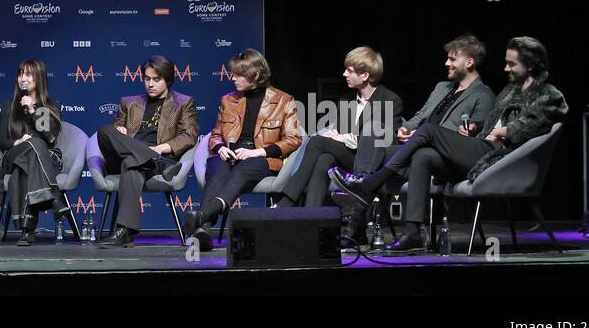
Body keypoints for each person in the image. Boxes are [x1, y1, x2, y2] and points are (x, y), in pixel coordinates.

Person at [330, 36, 569, 252]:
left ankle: (368, 185)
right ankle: (413, 232)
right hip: (478, 149)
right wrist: (476, 130)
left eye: (511, 64)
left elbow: (544, 117)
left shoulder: (548, 94)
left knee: (428, 131)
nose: (505, 68)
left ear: (530, 66)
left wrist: (504, 130)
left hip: (495, 157)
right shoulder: (508, 91)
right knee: (423, 155)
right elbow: (482, 127)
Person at [274, 46, 403, 240]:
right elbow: (341, 134)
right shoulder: (346, 101)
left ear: (366, 75)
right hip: (349, 159)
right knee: (324, 159)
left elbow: (387, 138)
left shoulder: (390, 100)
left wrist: (345, 138)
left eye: (350, 71)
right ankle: (313, 224)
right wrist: (340, 137)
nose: (344, 74)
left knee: (317, 141)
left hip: (373, 165)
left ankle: (286, 202)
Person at [182, 48, 302, 251]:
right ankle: (202, 229)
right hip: (230, 155)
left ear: (255, 75)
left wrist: (259, 152)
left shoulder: (283, 100)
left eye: (238, 74)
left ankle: (202, 217)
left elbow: (294, 139)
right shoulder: (228, 100)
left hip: (260, 158)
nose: (233, 78)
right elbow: (216, 134)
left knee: (243, 169)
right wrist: (220, 148)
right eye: (233, 73)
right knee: (216, 167)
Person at [96, 55, 200, 247]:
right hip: (129, 157)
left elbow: (189, 136)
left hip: (146, 159)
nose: (150, 84)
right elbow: (116, 128)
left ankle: (124, 231)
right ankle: (157, 161)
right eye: (147, 79)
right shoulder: (129, 102)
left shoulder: (183, 103)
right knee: (105, 131)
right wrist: (121, 130)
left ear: (168, 80)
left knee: (132, 164)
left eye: (156, 79)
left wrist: (159, 149)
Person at [0, 58, 66, 246]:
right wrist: (18, 141)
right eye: (20, 74)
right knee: (31, 147)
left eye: (28, 74)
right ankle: (54, 198)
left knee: (29, 160)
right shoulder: (9, 107)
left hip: (42, 160)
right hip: (13, 155)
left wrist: (32, 109)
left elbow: (50, 138)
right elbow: (3, 142)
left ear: (39, 78)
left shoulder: (50, 107)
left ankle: (27, 231)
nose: (23, 79)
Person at [396, 34, 496, 142]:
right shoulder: (441, 87)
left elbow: (474, 130)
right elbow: (421, 115)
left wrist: (420, 135)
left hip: (440, 147)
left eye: (452, 59)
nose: (446, 63)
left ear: (469, 62)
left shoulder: (484, 95)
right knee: (382, 139)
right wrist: (406, 128)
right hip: (417, 140)